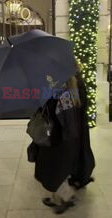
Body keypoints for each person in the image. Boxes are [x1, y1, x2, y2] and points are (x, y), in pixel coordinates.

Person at [33, 70, 95, 214]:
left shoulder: (59, 88)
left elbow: (53, 112)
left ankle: (65, 198)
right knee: (60, 167)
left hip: (59, 138)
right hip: (70, 137)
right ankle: (58, 197)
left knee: (53, 168)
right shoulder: (75, 83)